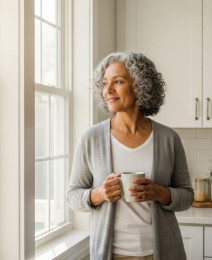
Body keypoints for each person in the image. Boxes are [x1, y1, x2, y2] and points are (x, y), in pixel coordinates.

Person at [67, 52, 194, 260]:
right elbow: (72, 197)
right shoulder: (91, 138)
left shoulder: (169, 138)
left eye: (118, 81)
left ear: (140, 86)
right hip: (111, 254)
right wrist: (100, 194)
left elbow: (187, 197)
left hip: (161, 253)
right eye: (105, 83)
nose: (108, 90)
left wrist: (160, 193)